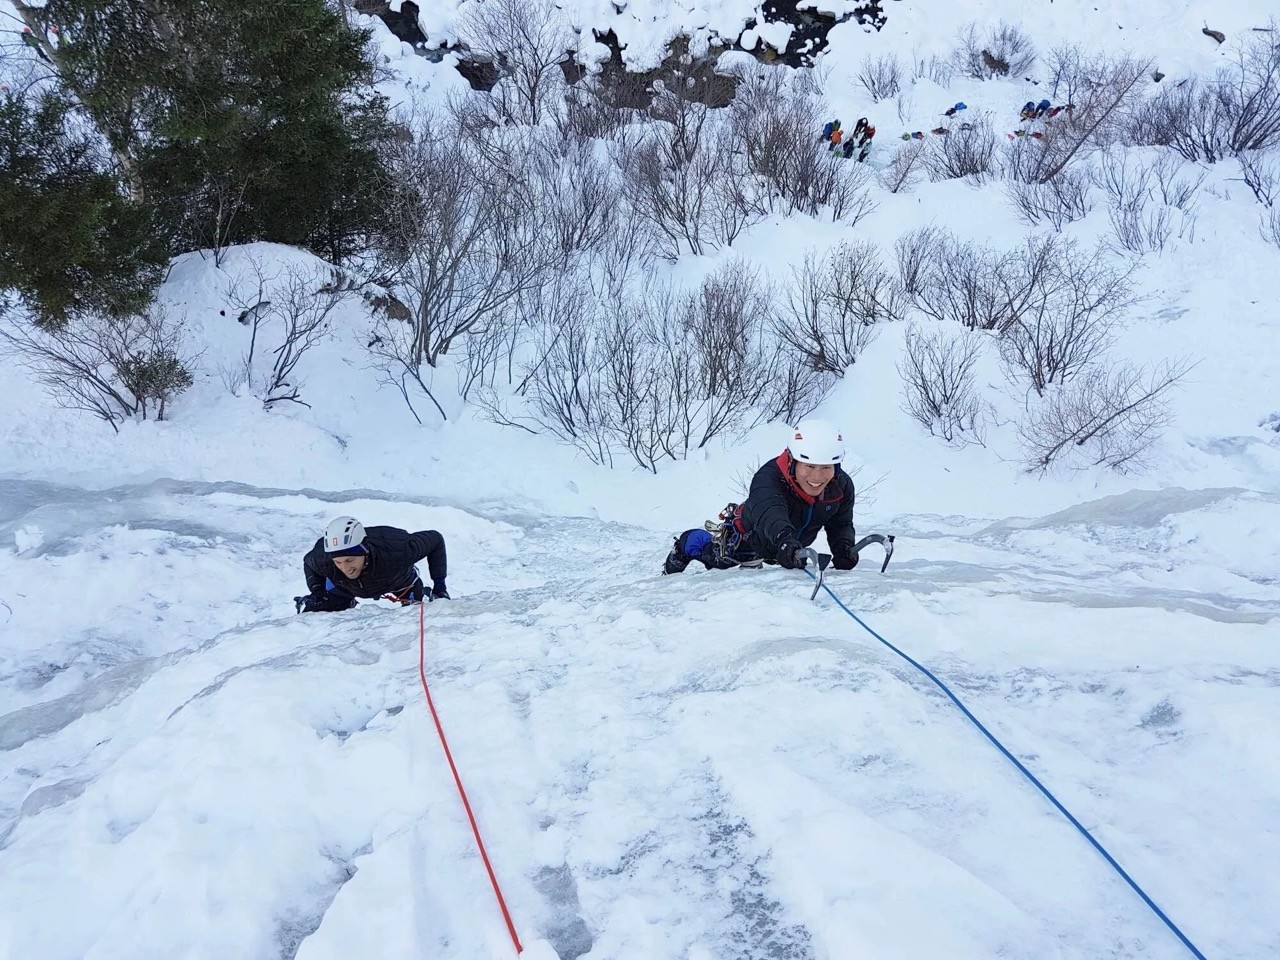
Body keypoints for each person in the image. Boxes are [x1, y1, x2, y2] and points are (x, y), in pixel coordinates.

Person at [663, 419, 860, 575]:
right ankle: (685, 544)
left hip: (789, 546)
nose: (817, 477)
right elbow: (771, 514)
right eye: (809, 466)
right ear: (792, 461)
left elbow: (840, 523)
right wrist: (785, 540)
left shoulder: (840, 486)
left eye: (826, 467)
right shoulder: (768, 478)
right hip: (748, 540)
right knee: (717, 559)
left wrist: (843, 547)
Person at [295, 516, 448, 613]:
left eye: (349, 560)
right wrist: (317, 592)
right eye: (338, 562)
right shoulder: (322, 559)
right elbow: (309, 564)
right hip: (345, 588)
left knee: (416, 613)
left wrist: (440, 587)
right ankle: (345, 601)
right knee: (313, 611)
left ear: (364, 551)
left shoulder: (398, 549)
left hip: (399, 582)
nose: (345, 568)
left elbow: (435, 540)